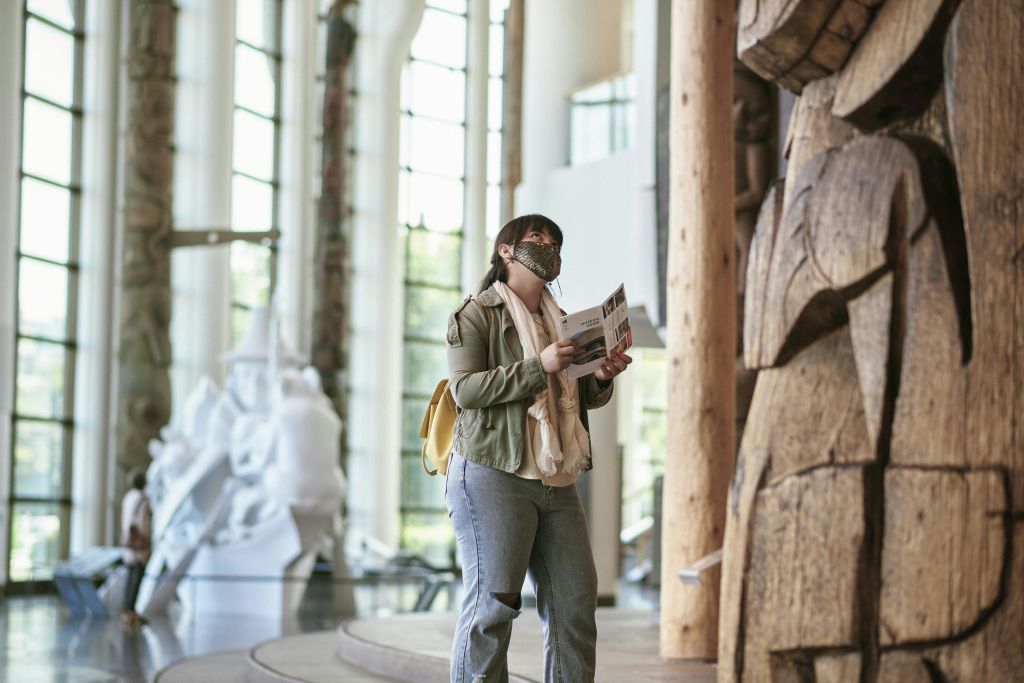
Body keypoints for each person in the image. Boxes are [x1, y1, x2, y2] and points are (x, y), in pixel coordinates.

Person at [445, 214, 632, 682]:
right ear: (506, 251)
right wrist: (538, 366)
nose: (548, 247)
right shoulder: (476, 313)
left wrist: (602, 377)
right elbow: (464, 390)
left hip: (556, 477)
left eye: (555, 242)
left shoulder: (558, 321)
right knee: (493, 608)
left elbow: (569, 395)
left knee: (575, 603)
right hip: (493, 473)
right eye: (536, 239)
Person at [120, 468, 152, 627]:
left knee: (130, 577)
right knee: (136, 578)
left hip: (129, 542)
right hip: (138, 545)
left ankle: (127, 610)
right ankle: (131, 612)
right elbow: (144, 523)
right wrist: (147, 542)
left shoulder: (128, 498)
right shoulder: (142, 499)